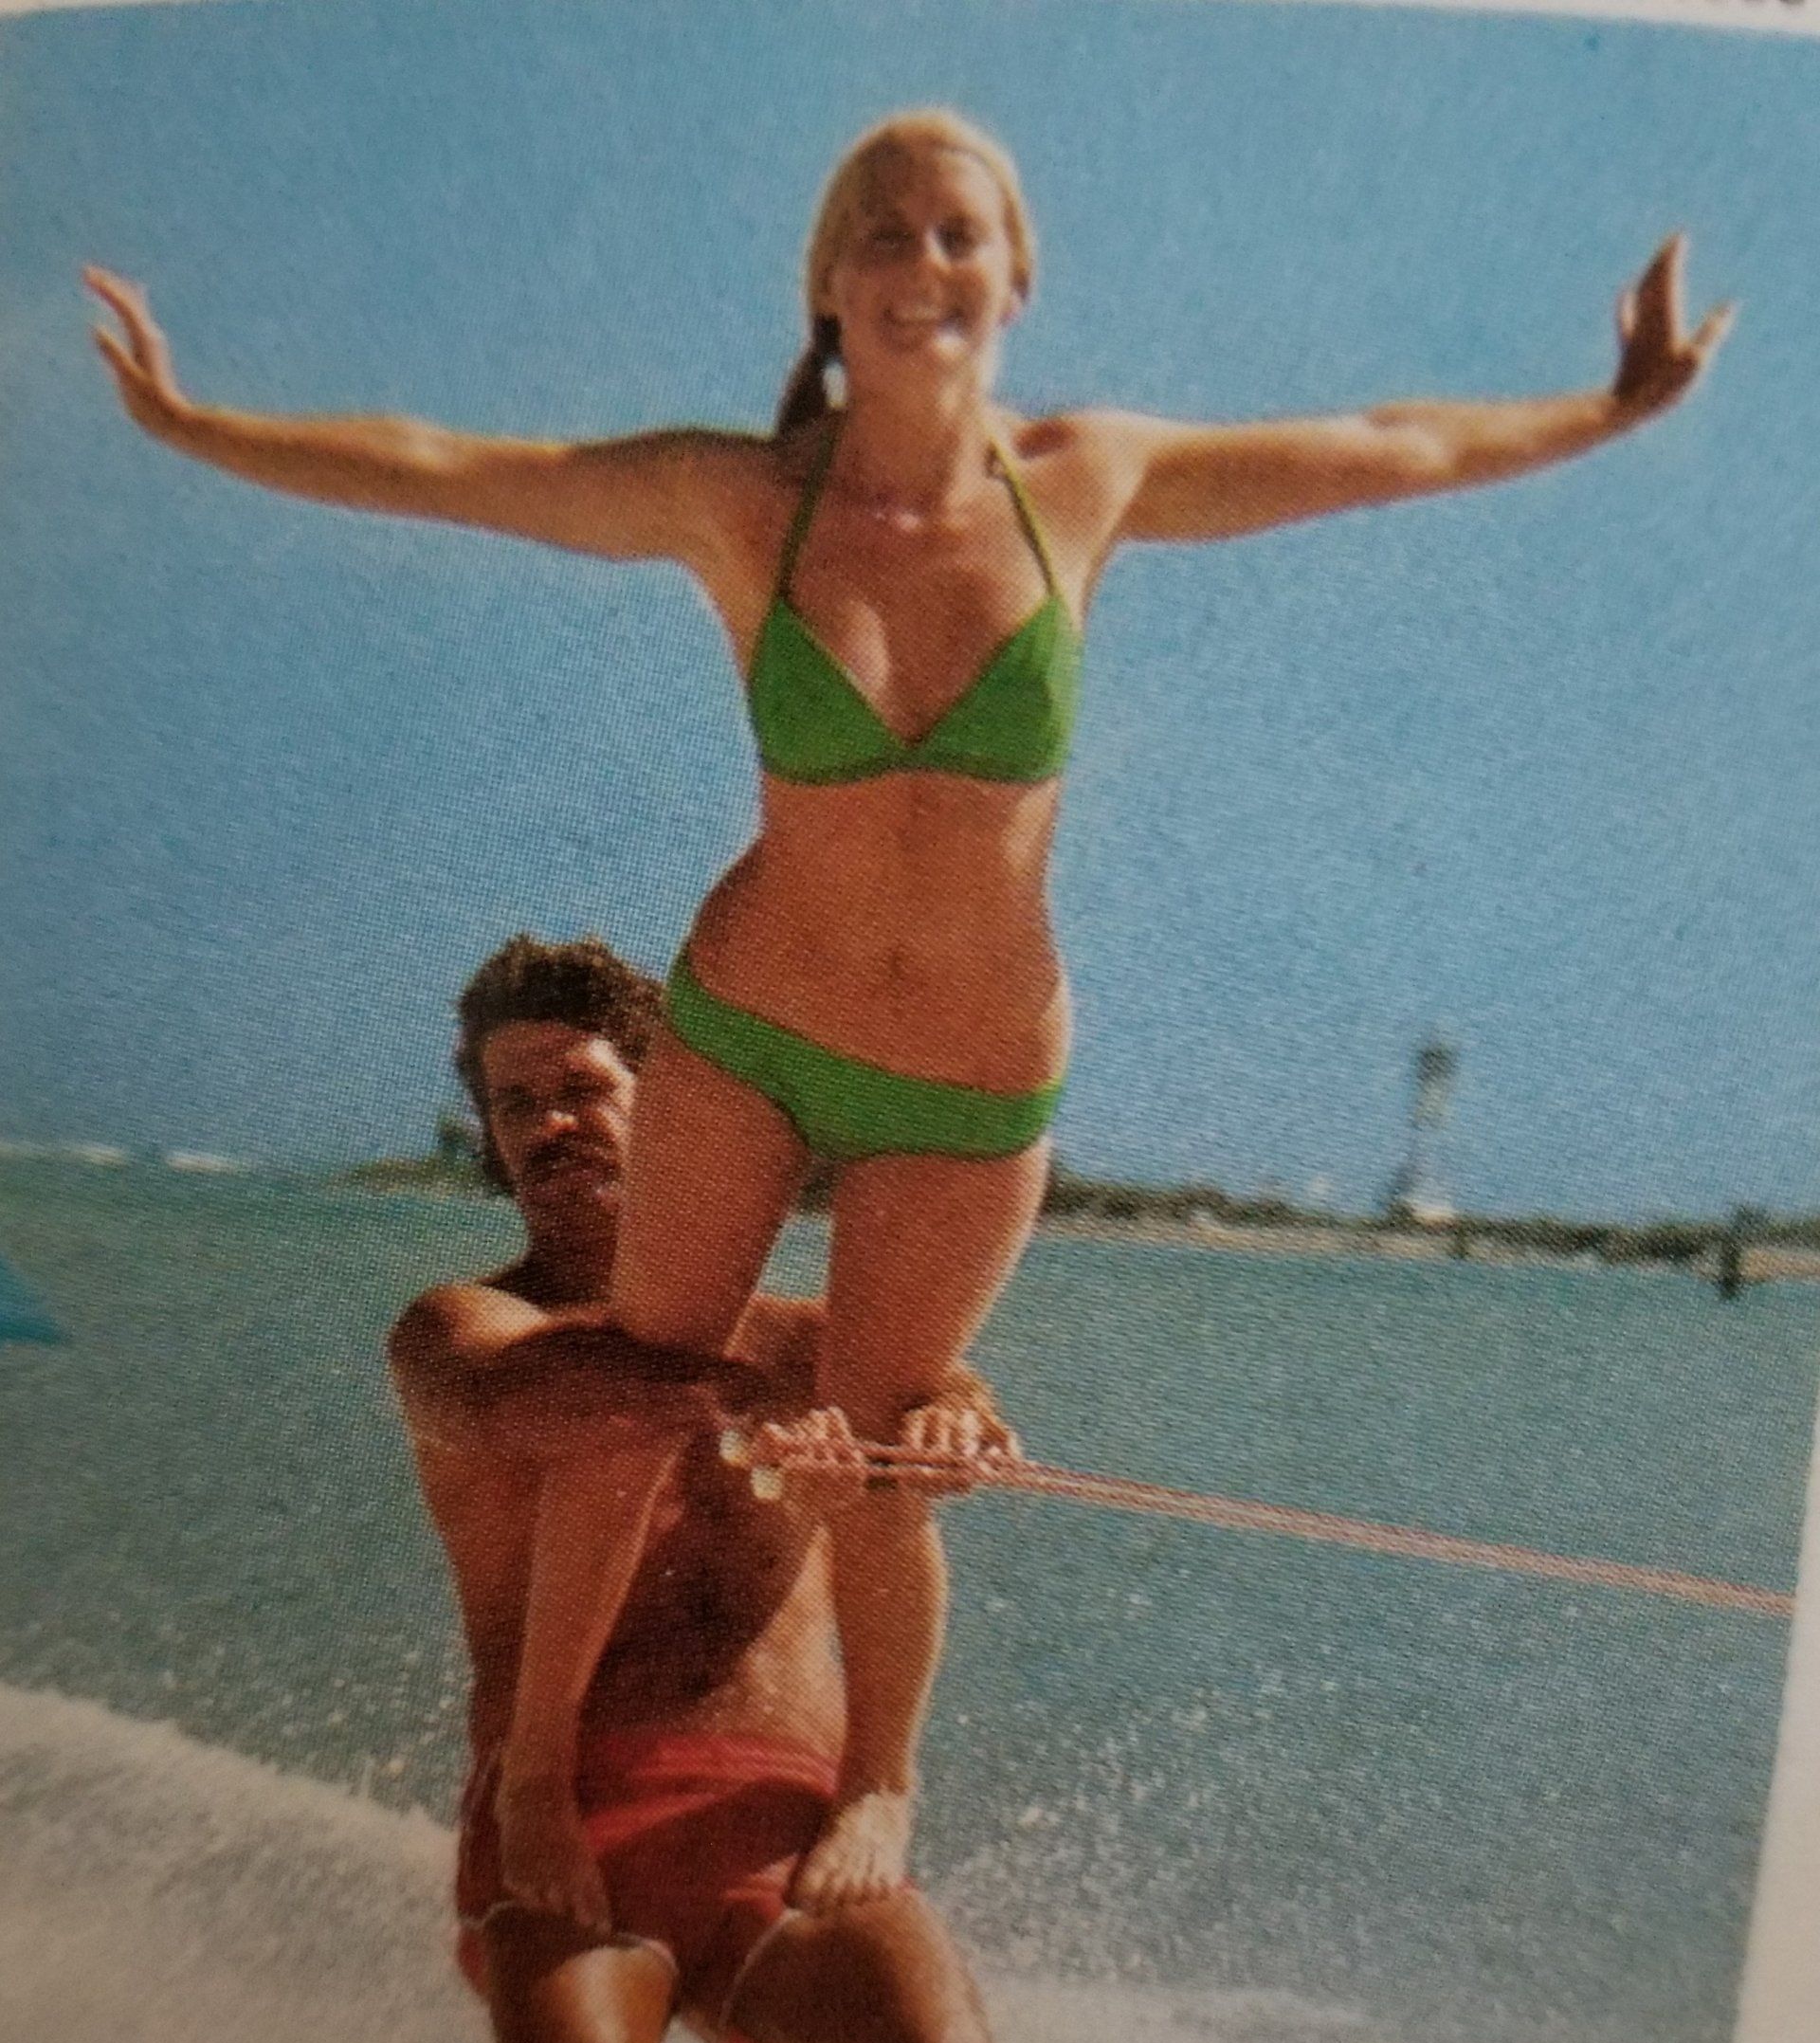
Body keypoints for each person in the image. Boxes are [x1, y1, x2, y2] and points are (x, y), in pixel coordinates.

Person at [87, 106, 1732, 1932]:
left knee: (881, 1457)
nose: (922, 262)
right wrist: (194, 425)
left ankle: (880, 1775)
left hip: (972, 1083)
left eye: (959, 233)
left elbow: (1388, 444)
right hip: (749, 1026)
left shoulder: (1088, 481)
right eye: (883, 230)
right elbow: (460, 467)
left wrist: (1609, 409)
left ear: (1017, 278)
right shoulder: (742, 501)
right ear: (826, 285)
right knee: (631, 1396)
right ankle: (536, 1766)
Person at [385, 934, 1045, 2043]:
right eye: (514, 1102)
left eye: (582, 1088)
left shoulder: (816, 1342)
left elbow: (944, 1391)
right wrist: (741, 1392)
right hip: (567, 1819)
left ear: (671, 1104)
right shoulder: (463, 1330)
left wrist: (950, 1419)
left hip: (782, 1829)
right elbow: (530, 1407)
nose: (548, 1124)